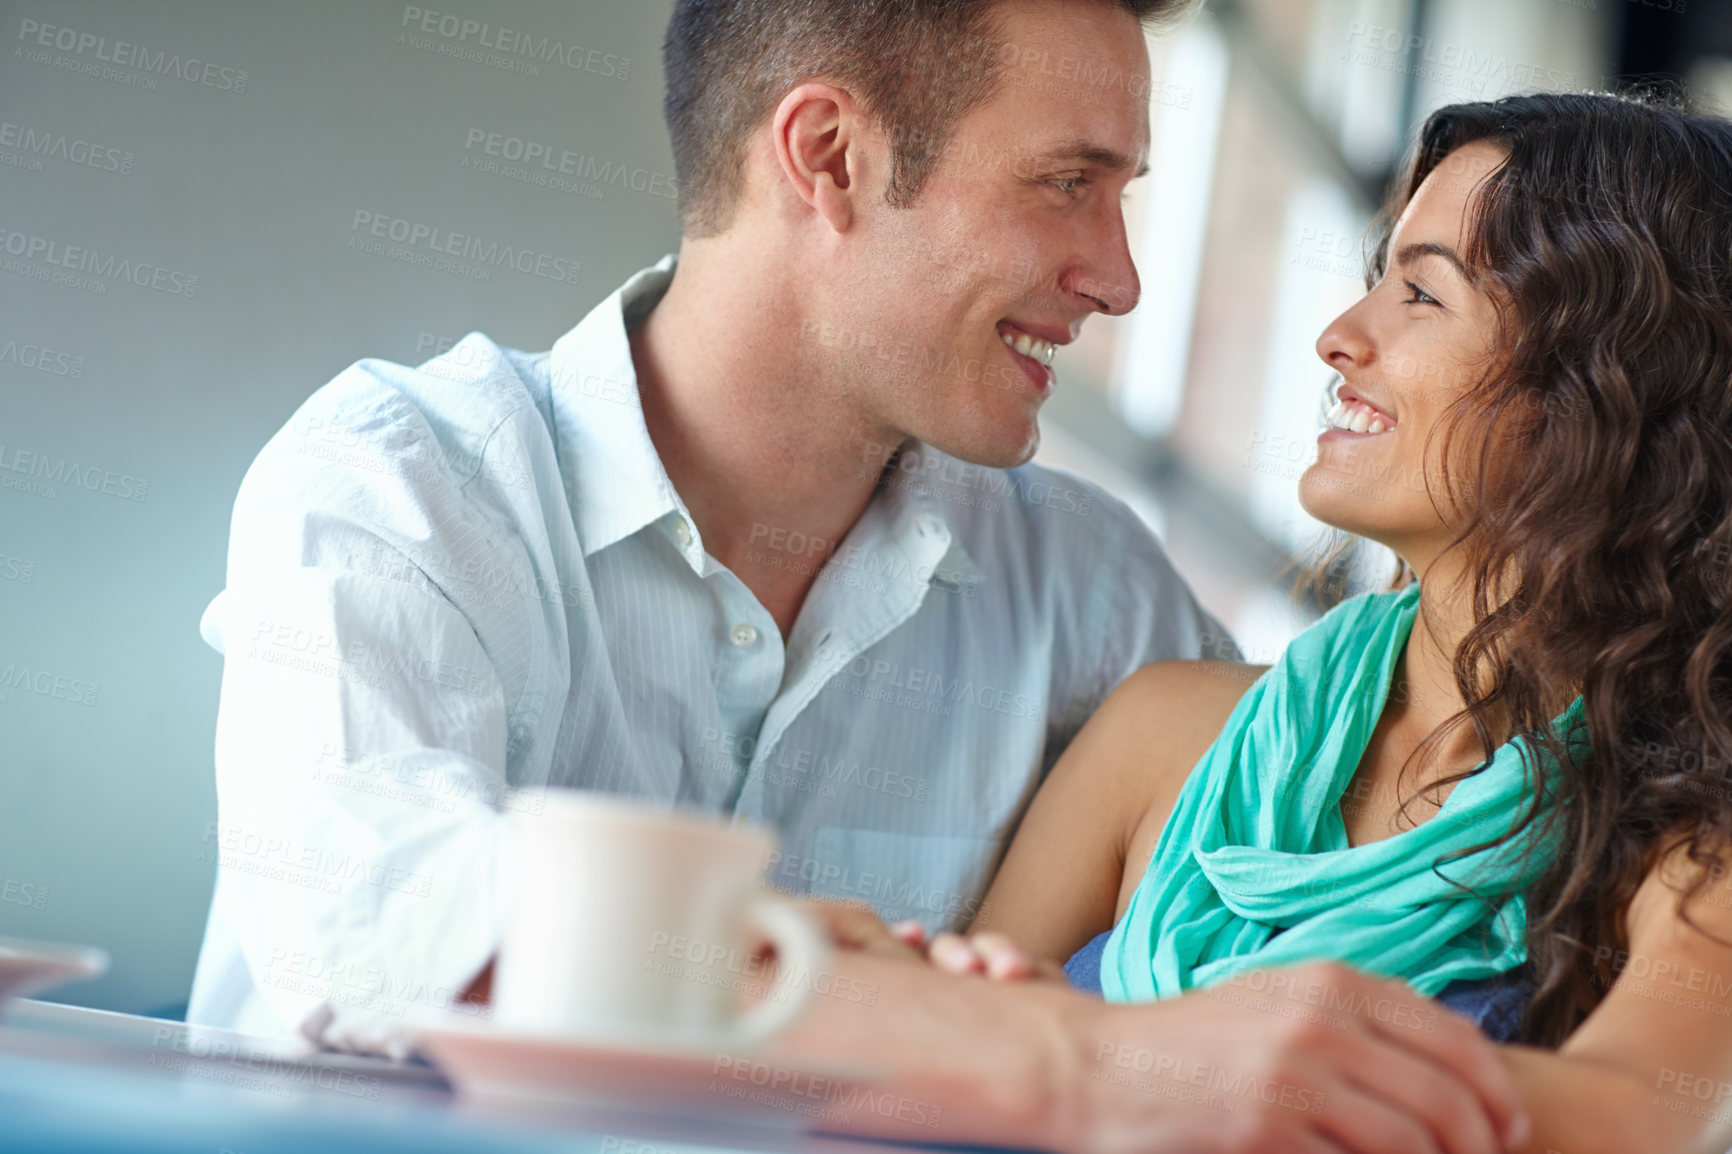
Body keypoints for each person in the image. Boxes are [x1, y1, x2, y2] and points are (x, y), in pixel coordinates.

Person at [188, 0, 1237, 1053]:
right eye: (1067, 184)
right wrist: (976, 1038)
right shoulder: (403, 481)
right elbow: (376, 924)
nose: (1119, 279)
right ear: (829, 157)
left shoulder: (1102, 594)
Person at [871, 90, 1732, 1153]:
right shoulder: (1163, 730)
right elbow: (918, 1091)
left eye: (1420, 293)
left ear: (1610, 385)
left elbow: (1629, 1118)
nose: (1338, 337)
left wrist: (1106, 1052)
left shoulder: (1691, 830)